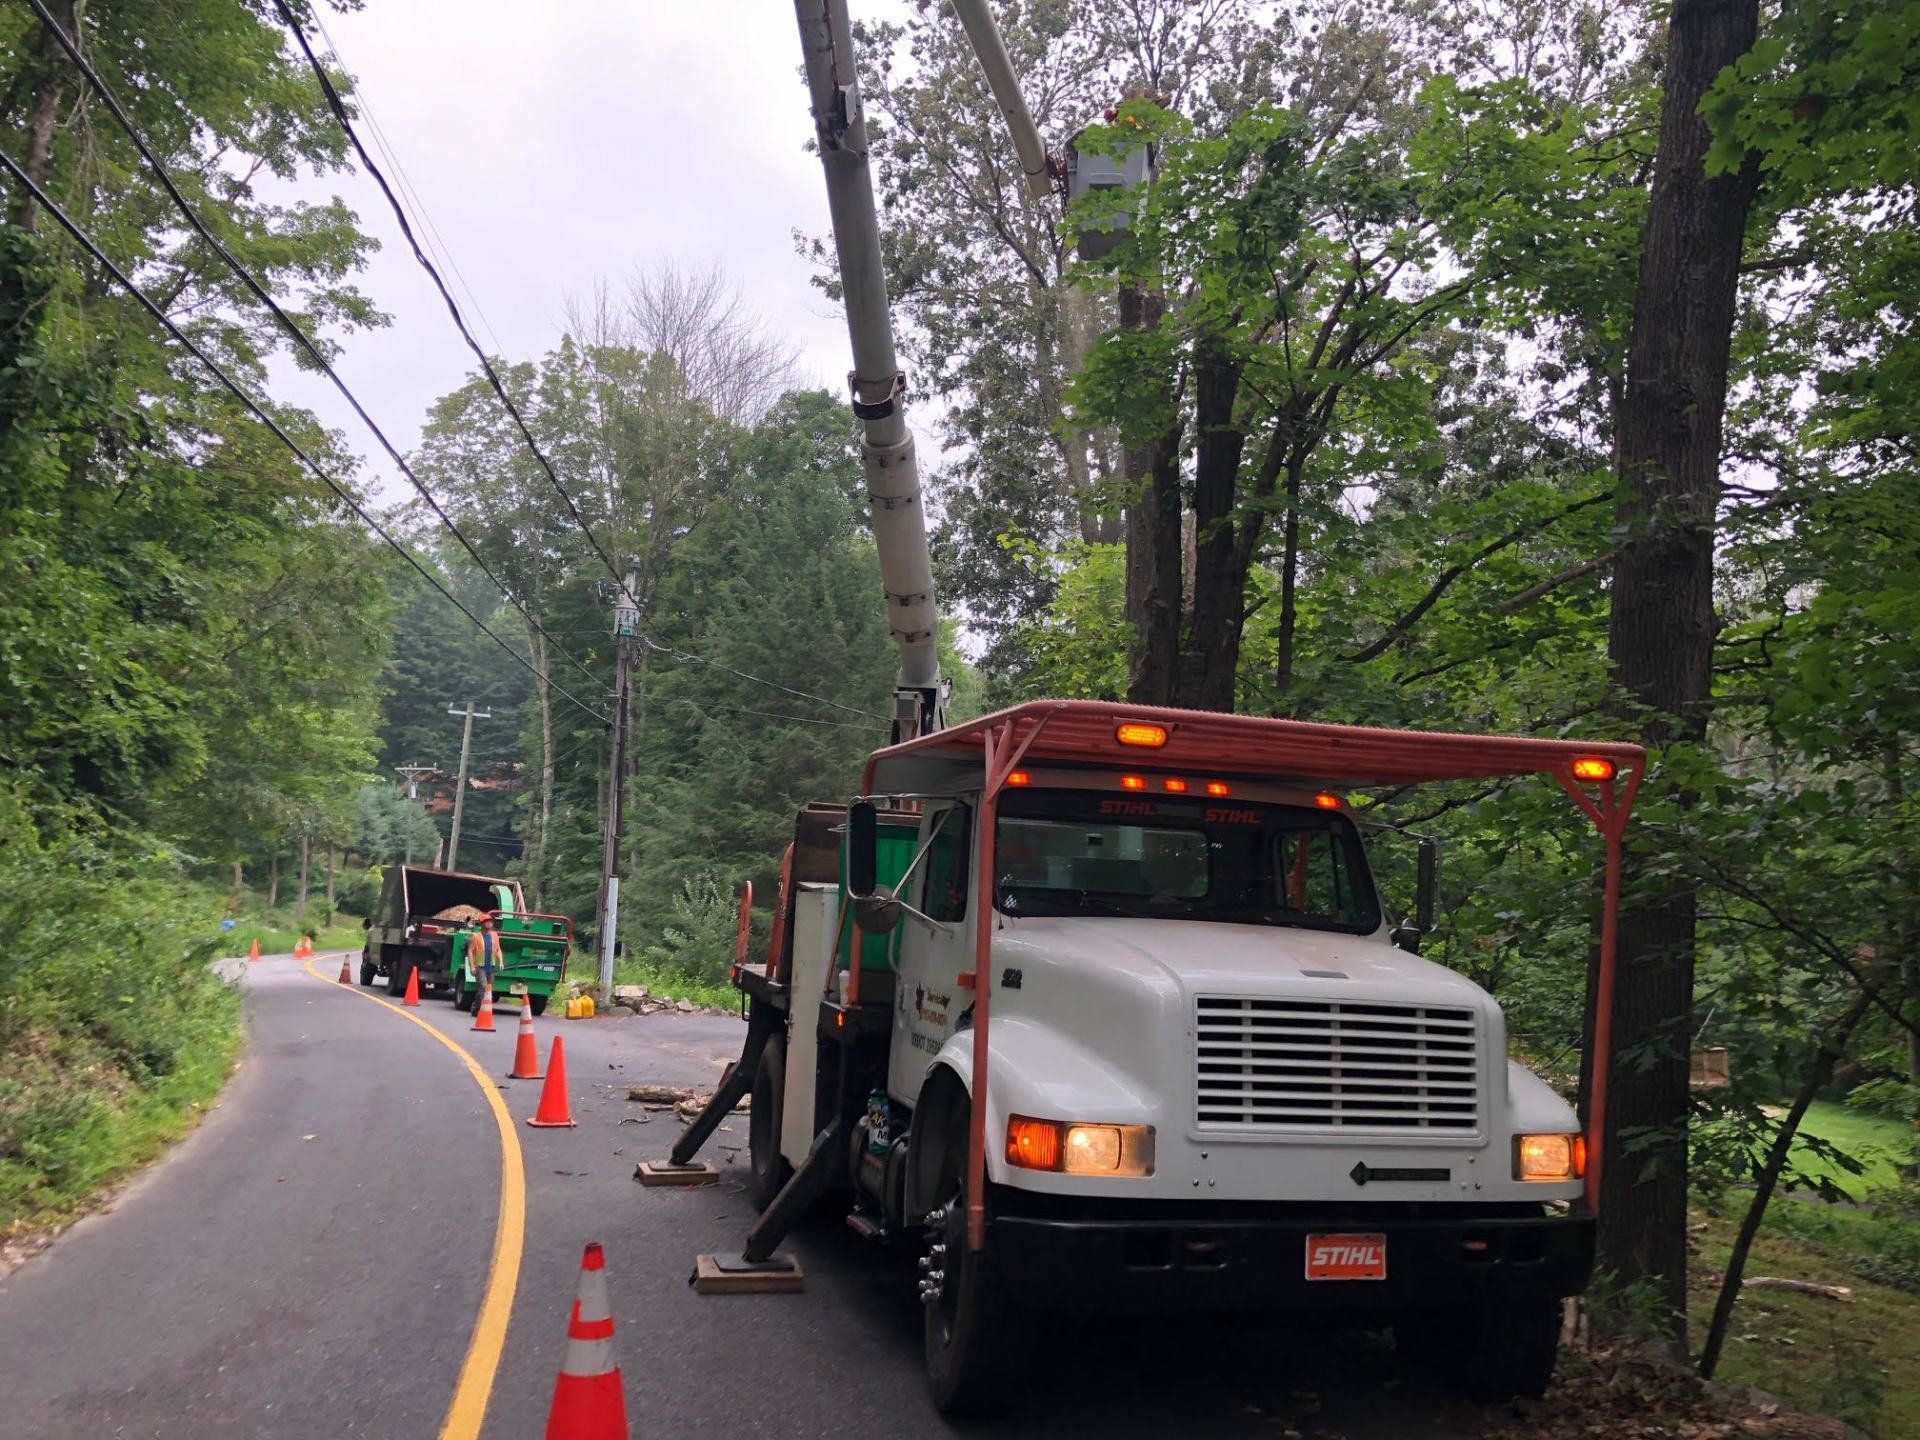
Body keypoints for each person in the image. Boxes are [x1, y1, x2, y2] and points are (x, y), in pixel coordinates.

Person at [466, 915, 501, 993]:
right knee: (483, 985)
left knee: (489, 987)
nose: (489, 923)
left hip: (491, 966)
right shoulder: (475, 936)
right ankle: (479, 1004)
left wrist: (501, 962)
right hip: (480, 966)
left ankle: (484, 1004)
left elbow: (498, 949)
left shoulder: (495, 935)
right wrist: (472, 966)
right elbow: (470, 951)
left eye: (490, 921)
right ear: (481, 924)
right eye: (486, 921)